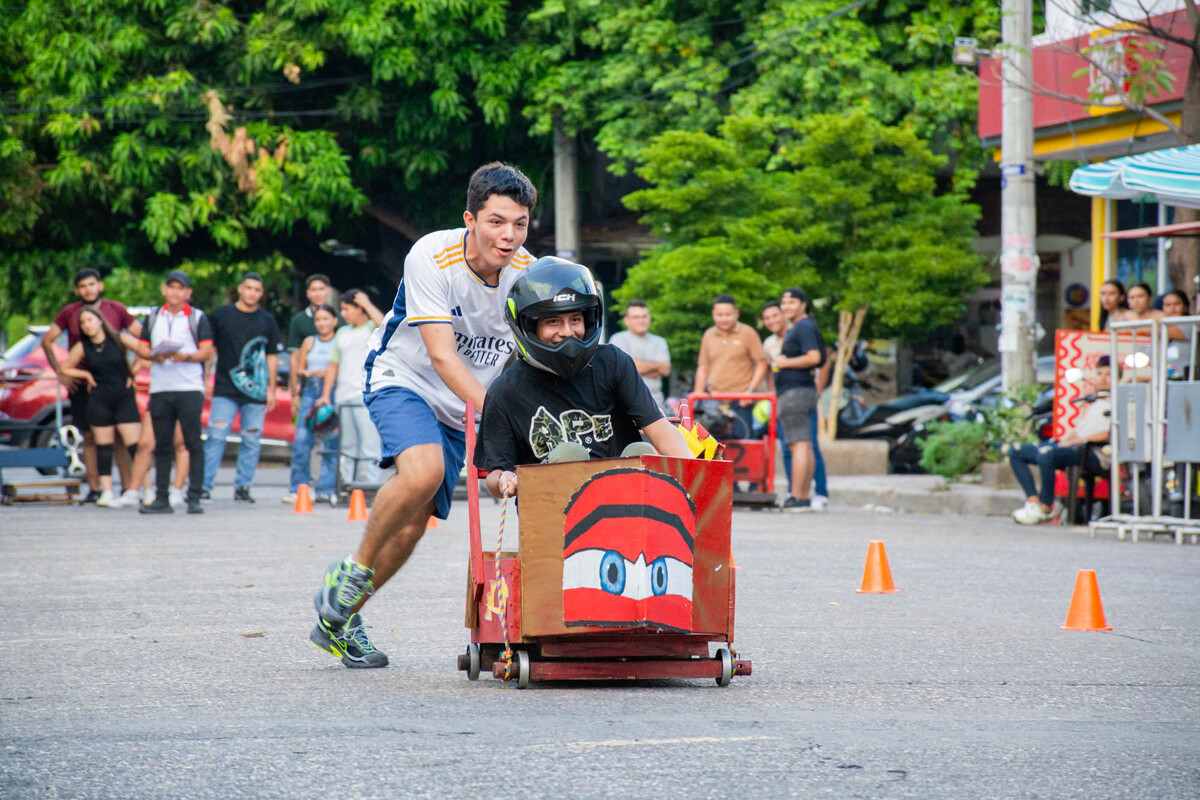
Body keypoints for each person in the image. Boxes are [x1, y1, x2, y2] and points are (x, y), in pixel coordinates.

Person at [307, 162, 537, 670]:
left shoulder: (528, 274)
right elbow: (442, 355)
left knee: (413, 527)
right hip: (404, 379)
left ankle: (340, 622)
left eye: (519, 224)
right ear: (470, 219)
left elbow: (531, 360)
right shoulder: (433, 254)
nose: (508, 236)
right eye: (496, 221)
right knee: (424, 470)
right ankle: (353, 569)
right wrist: (501, 417)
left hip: (465, 404)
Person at [476, 258, 690, 499]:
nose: (568, 332)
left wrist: (695, 479)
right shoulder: (506, 390)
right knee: (568, 454)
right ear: (529, 326)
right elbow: (494, 473)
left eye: (575, 320)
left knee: (641, 450)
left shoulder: (612, 362)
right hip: (552, 512)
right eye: (553, 321)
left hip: (622, 506)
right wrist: (505, 478)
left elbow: (660, 430)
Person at [40, 268, 142, 502]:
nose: (88, 289)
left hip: (116, 382)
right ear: (77, 290)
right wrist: (61, 373)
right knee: (89, 437)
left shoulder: (115, 309)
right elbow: (48, 341)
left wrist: (133, 370)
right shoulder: (69, 312)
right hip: (85, 382)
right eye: (83, 286)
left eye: (91, 284)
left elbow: (142, 338)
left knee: (120, 438)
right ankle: (96, 488)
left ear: (100, 285)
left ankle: (129, 487)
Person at [122, 270, 213, 515]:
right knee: (161, 444)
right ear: (164, 290)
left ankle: (193, 496)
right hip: (161, 387)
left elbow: (206, 351)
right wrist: (154, 355)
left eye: (180, 288)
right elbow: (142, 347)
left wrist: (187, 356)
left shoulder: (197, 317)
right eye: (171, 287)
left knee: (192, 442)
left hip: (189, 387)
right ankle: (161, 497)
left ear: (188, 293)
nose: (175, 292)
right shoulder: (153, 317)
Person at [201, 272, 283, 503]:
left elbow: (272, 356)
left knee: (251, 440)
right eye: (248, 288)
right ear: (240, 289)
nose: (252, 293)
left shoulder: (267, 320)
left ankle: (243, 487)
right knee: (216, 437)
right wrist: (207, 376)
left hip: (255, 392)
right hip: (224, 389)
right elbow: (209, 349)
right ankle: (204, 486)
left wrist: (271, 389)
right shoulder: (221, 315)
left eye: (257, 290)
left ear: (261, 294)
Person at [1010, 357, 1115, 525]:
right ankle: (1033, 502)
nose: (1103, 378)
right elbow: (1078, 431)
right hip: (1076, 448)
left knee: (1047, 454)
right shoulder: (1091, 402)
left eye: (1109, 374)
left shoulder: (1117, 402)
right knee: (1017, 451)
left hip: (1096, 454)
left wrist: (1081, 439)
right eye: (1099, 373)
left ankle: (1046, 507)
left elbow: (1109, 433)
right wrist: (1063, 441)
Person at [57, 307, 142, 507]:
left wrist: (134, 372)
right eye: (83, 323)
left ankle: (140, 488)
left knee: (134, 446)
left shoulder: (120, 338)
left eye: (90, 320)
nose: (87, 325)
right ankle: (106, 491)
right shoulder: (82, 346)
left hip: (123, 396)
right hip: (99, 398)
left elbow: (145, 351)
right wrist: (85, 375)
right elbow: (64, 367)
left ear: (100, 320)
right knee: (103, 446)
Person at [772, 288, 827, 512]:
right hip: (802, 391)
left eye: (792, 302)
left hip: (795, 392)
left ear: (804, 304)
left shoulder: (803, 326)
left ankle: (797, 496)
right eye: (783, 302)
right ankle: (803, 495)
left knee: (798, 444)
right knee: (804, 444)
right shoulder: (806, 326)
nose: (786, 306)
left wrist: (784, 362)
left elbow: (814, 357)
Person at [324, 289, 385, 488]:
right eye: (341, 309)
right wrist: (326, 394)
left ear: (359, 309)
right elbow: (333, 365)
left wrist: (366, 303)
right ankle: (347, 484)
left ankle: (369, 484)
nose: (343, 313)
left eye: (347, 309)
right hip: (343, 396)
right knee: (347, 445)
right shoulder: (342, 332)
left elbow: (384, 325)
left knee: (369, 443)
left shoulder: (370, 328)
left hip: (365, 395)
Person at [693, 295, 767, 437]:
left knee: (743, 445)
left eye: (728, 314)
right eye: (719, 315)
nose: (724, 318)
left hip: (741, 401)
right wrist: (698, 392)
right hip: (714, 401)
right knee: (712, 447)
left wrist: (750, 391)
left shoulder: (748, 332)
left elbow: (761, 363)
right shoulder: (709, 334)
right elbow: (703, 366)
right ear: (713, 315)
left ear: (736, 313)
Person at [288, 304, 340, 506]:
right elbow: (301, 369)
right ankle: (298, 487)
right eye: (318, 320)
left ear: (334, 321)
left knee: (331, 442)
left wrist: (327, 374)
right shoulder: (309, 341)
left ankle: (325, 489)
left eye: (326, 319)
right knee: (302, 440)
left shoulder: (340, 341)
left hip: (333, 392)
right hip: (310, 391)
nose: (322, 323)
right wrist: (308, 377)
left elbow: (340, 367)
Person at [608, 300, 672, 414]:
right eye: (636, 317)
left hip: (656, 403)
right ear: (626, 320)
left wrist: (634, 366)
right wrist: (655, 366)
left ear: (649, 318)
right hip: (625, 404)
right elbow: (621, 370)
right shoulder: (617, 339)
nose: (641, 320)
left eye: (644, 316)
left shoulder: (660, 341)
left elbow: (665, 369)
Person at [288, 274, 335, 407]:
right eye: (314, 290)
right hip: (307, 387)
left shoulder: (339, 319)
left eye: (321, 289)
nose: (318, 293)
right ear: (308, 293)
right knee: (303, 426)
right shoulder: (298, 320)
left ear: (328, 291)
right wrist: (294, 393)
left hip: (335, 387)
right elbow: (294, 358)